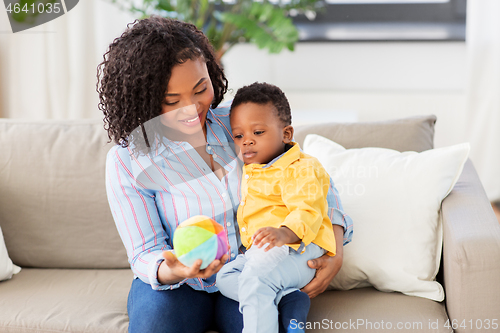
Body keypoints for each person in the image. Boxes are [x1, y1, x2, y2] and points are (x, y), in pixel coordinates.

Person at [97, 15, 353, 333]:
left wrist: (335, 251)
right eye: (172, 101)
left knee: (284, 322)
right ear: (144, 100)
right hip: (180, 289)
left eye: (200, 89)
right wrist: (176, 270)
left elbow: (313, 181)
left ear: (212, 74)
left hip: (249, 272)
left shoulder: (239, 124)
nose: (192, 109)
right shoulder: (128, 160)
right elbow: (144, 252)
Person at [216, 82, 337, 333]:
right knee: (224, 279)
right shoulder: (252, 168)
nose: (246, 142)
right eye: (239, 136)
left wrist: (284, 232)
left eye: (258, 133)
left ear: (286, 134)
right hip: (261, 253)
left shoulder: (301, 168)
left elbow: (308, 209)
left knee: (256, 280)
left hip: (298, 249)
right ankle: (288, 297)